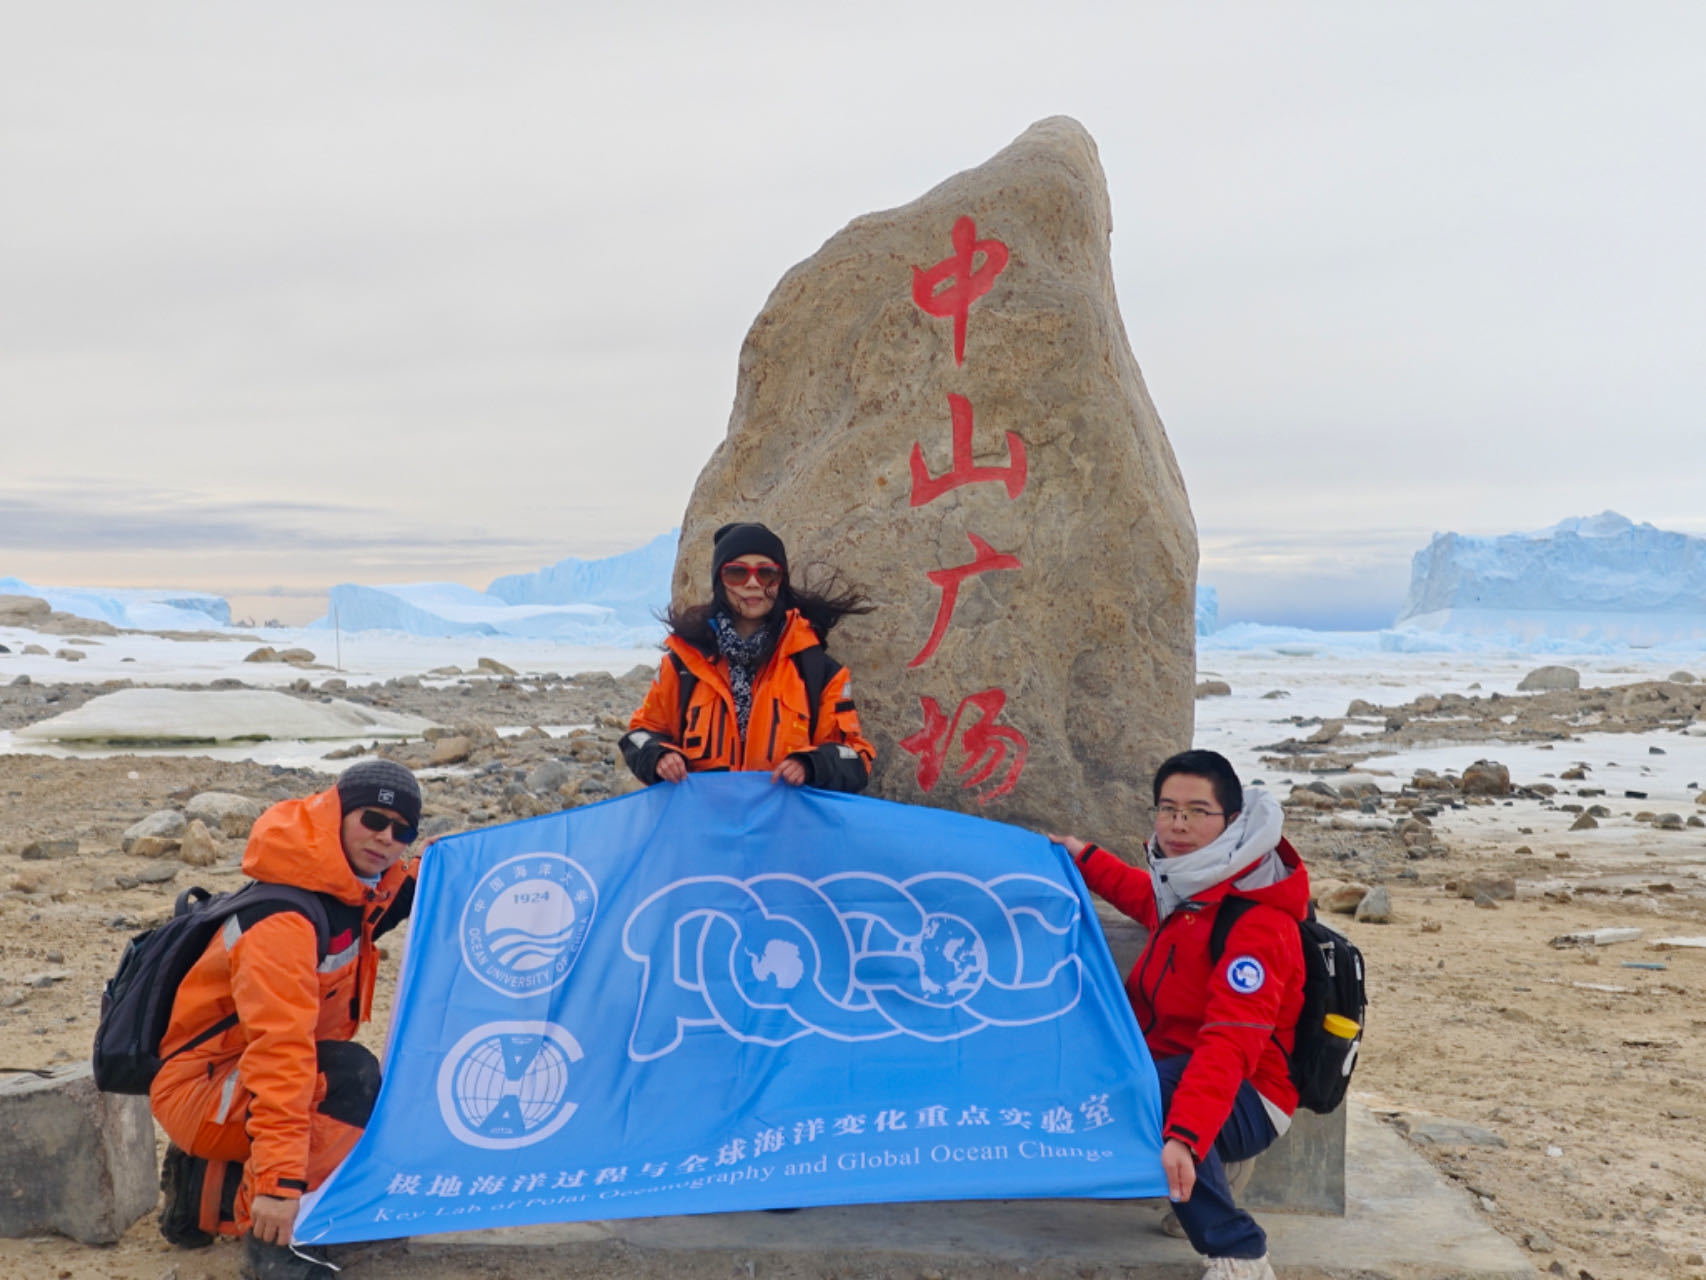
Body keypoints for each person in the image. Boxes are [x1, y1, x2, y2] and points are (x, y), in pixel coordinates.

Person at [149, 760, 423, 1280]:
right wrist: (279, 1189)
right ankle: (268, 1241)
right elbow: (280, 1058)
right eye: (372, 819)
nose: (386, 838)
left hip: (234, 1083)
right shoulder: (284, 922)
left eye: (401, 829)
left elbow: (401, 892)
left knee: (363, 1088)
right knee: (353, 1082)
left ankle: (207, 1188)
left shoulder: (347, 890)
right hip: (205, 1089)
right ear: (338, 812)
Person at [1053, 750, 1309, 1280]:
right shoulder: (1190, 890)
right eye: (1167, 809)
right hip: (1171, 1068)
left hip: (1249, 1093)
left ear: (1233, 822)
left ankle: (1239, 1251)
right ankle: (1199, 1160)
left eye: (1197, 811)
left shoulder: (1258, 923)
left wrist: (1187, 1135)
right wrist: (1081, 855)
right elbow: (1143, 898)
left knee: (1153, 1093)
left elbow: (1230, 1045)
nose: (1178, 824)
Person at [621, 521, 875, 792]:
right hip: (705, 827)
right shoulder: (683, 664)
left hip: (784, 829)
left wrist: (811, 765)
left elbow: (856, 759)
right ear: (720, 580)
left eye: (766, 573)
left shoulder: (817, 671)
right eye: (736, 573)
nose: (753, 583)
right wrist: (659, 757)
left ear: (780, 582)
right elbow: (638, 736)